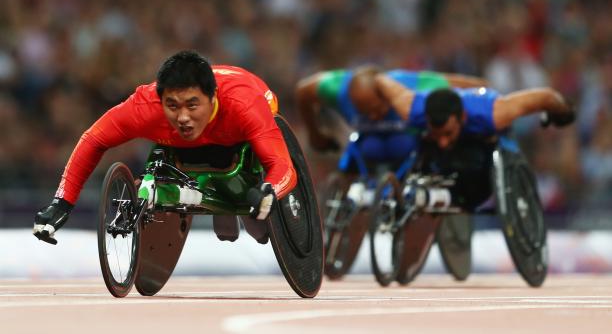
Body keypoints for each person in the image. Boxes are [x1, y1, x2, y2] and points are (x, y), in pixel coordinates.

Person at [33, 50, 297, 245]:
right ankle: (215, 195)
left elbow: (284, 166)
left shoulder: (244, 106)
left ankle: (238, 191)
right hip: (191, 147)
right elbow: (93, 140)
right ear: (160, 100)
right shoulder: (144, 107)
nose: (182, 117)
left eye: (192, 106)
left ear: (212, 97)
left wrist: (270, 191)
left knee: (261, 233)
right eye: (172, 106)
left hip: (248, 111)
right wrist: (62, 202)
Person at [374, 75, 575, 209]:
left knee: (472, 160)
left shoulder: (495, 112)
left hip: (481, 143)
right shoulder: (411, 108)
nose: (443, 141)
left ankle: (462, 189)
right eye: (438, 134)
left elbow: (545, 96)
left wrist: (563, 113)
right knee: (412, 141)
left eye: (448, 133)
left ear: (462, 117)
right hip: (437, 145)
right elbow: (382, 81)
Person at [296, 66, 487, 175]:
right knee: (364, 150)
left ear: (387, 93)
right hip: (368, 143)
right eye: (364, 111)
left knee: (403, 144)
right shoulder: (336, 89)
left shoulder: (409, 86)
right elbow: (302, 91)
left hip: (406, 142)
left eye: (378, 109)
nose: (373, 117)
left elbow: (473, 86)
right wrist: (315, 133)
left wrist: (490, 101)